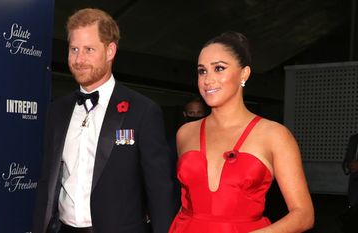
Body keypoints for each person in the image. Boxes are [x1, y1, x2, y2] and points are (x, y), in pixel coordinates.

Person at [32, 8, 179, 233]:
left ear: (110, 51)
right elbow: (47, 181)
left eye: (89, 49)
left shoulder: (143, 111)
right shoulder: (57, 110)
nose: (79, 59)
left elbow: (159, 191)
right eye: (74, 49)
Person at [169, 31, 314, 232]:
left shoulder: (274, 135)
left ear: (244, 74)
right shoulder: (185, 133)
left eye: (219, 68)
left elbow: (304, 214)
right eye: (202, 71)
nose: (208, 80)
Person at [343, 133, 358, 207]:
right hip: (354, 175)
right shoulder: (354, 138)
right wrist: (348, 164)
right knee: (353, 201)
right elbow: (348, 155)